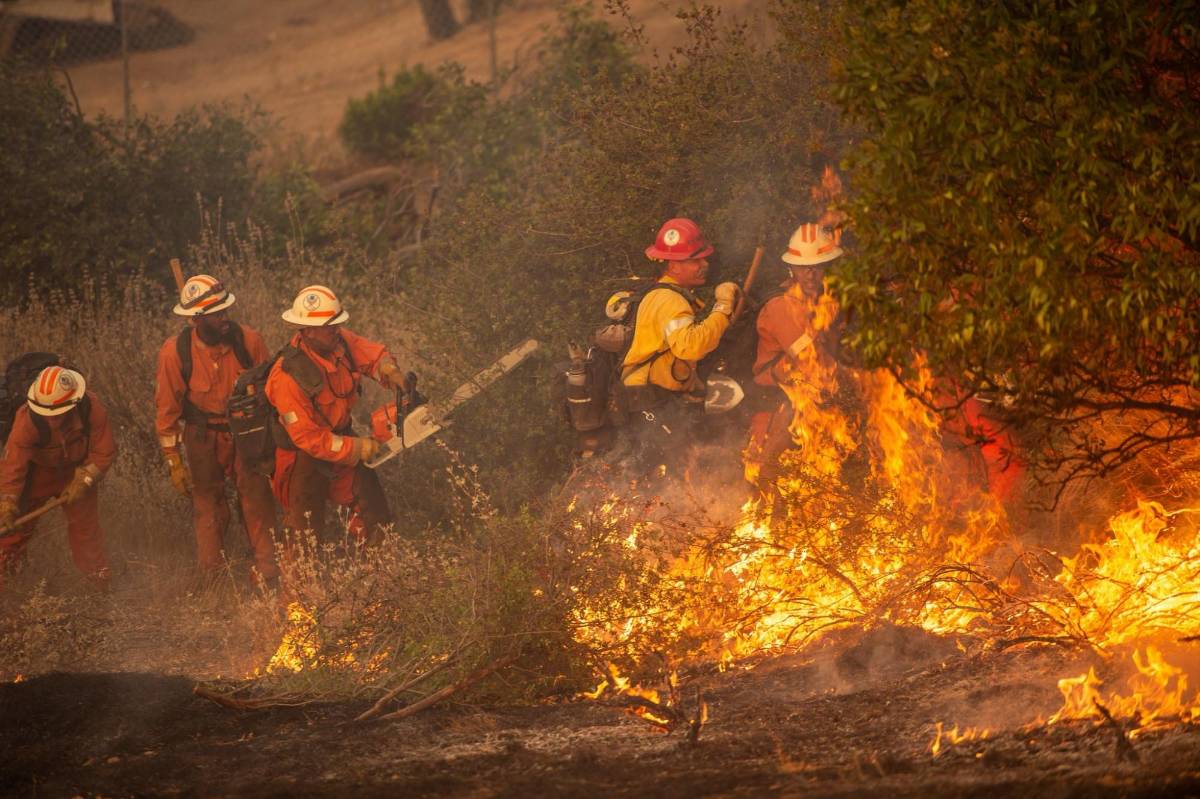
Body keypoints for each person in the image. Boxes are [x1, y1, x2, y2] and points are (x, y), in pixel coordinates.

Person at [155, 274, 279, 585]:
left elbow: (272, 391)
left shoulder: (249, 341)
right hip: (202, 436)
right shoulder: (175, 352)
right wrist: (173, 460)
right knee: (207, 504)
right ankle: (213, 578)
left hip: (246, 433)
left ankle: (267, 573)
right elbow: (167, 409)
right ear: (196, 319)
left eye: (225, 310)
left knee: (256, 498)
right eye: (216, 314)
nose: (224, 317)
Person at [265, 285, 406, 545]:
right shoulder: (286, 377)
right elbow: (308, 438)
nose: (336, 329)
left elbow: (372, 355)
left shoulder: (339, 341)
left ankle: (380, 567)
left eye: (337, 323)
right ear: (307, 330)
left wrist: (388, 369)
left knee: (374, 515)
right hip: (302, 459)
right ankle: (298, 574)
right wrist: (357, 448)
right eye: (329, 326)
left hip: (341, 439)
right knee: (304, 536)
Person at [611, 217, 742, 475]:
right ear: (673, 265)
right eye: (695, 260)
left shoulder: (657, 294)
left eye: (703, 258)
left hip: (645, 402)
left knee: (664, 475)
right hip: (650, 403)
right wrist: (723, 308)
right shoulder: (670, 300)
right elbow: (690, 346)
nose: (704, 265)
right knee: (681, 476)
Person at [744, 222, 845, 489]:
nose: (810, 274)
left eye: (818, 266)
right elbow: (810, 360)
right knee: (767, 486)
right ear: (791, 268)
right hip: (777, 410)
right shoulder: (781, 305)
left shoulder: (826, 303)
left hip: (809, 408)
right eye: (803, 267)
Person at [0, 366, 115, 589]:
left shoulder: (91, 408)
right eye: (46, 413)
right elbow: (13, 467)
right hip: (38, 475)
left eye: (57, 414)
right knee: (12, 534)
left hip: (78, 471)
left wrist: (84, 480)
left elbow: (104, 452)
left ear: (73, 404)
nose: (51, 420)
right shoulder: (26, 420)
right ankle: (6, 589)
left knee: (86, 531)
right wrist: (7, 502)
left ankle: (99, 587)